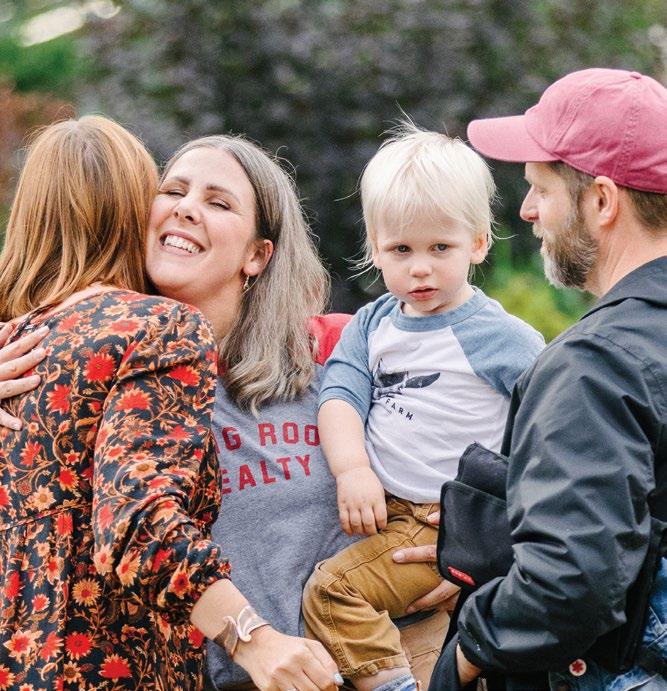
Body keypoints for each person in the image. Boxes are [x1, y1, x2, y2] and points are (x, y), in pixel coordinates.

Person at [0, 129, 452, 689]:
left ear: (257, 255)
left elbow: (488, 427)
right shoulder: (87, 367)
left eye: (218, 202)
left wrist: (468, 547)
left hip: (387, 663)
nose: (187, 208)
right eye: (173, 191)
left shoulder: (336, 349)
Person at [438, 67, 667, 690]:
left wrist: (465, 653)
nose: (528, 210)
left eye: (541, 188)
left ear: (602, 201)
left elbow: (568, 585)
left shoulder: (596, 363)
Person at [302, 123, 544, 691]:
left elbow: (547, 426)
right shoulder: (372, 324)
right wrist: (352, 470)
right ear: (375, 248)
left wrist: (495, 521)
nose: (420, 269)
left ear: (478, 243)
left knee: (333, 593)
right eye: (401, 250)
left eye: (440, 248)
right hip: (379, 504)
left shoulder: (499, 338)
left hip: (436, 518)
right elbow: (340, 395)